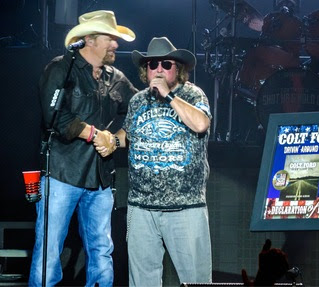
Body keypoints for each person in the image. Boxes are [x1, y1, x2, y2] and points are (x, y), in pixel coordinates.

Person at [29, 10, 137, 286]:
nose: (116, 44)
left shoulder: (116, 78)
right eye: (110, 38)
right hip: (62, 175)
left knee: (102, 249)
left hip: (101, 179)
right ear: (89, 39)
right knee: (49, 249)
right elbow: (54, 115)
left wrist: (115, 138)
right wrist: (94, 134)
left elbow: (138, 108)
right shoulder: (61, 69)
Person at [97, 36, 212, 286]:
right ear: (145, 70)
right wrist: (112, 142)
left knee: (196, 281)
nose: (158, 69)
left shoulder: (192, 95)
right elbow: (128, 134)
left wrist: (169, 96)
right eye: (152, 64)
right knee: (142, 282)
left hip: (185, 207)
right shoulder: (138, 100)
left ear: (178, 69)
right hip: (141, 208)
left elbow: (201, 124)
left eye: (166, 64)